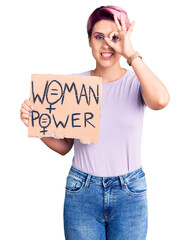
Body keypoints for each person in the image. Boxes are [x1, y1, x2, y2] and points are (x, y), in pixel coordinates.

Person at [20, 5, 170, 240]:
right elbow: (65, 147)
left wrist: (130, 52)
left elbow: (161, 100)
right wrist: (36, 125)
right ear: (89, 40)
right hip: (82, 191)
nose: (106, 44)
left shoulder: (136, 82)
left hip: (129, 192)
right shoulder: (74, 86)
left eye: (114, 37)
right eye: (99, 37)